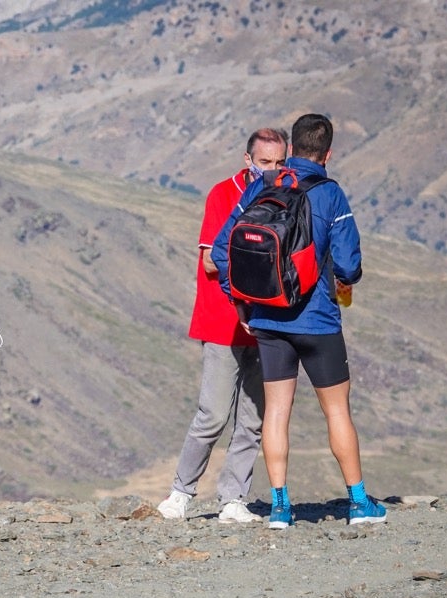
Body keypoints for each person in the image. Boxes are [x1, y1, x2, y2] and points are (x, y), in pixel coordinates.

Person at [212, 113, 387, 529]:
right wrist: (342, 279)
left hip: (268, 319)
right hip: (319, 321)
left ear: (290, 149)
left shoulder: (262, 186)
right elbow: (348, 264)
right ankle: (359, 504)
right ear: (328, 153)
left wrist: (240, 305)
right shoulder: (331, 194)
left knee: (276, 412)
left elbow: (223, 251)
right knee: (337, 412)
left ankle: (278, 508)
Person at [158, 128, 287, 523]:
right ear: (248, 160)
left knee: (253, 417)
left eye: (279, 162)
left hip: (267, 323)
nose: (273, 170)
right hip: (222, 321)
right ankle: (181, 492)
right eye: (265, 162)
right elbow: (212, 260)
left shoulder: (287, 194)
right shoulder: (222, 194)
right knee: (212, 414)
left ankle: (234, 498)